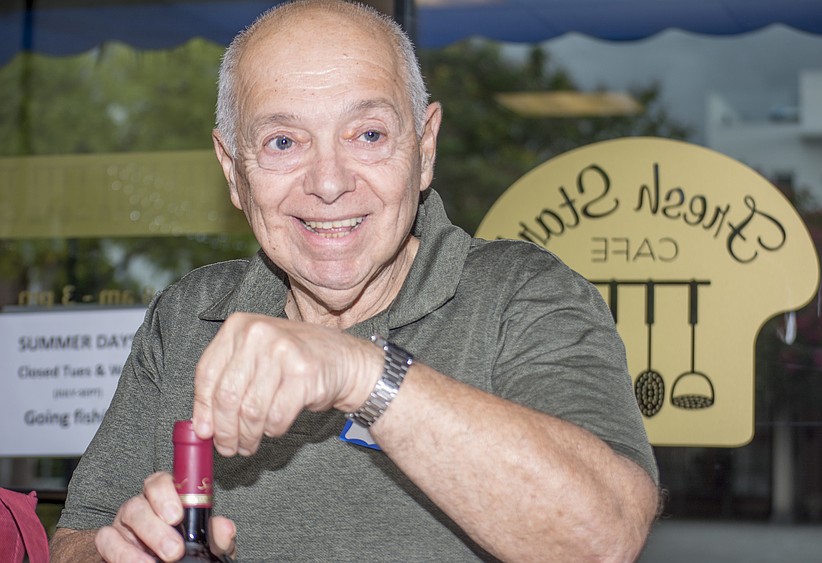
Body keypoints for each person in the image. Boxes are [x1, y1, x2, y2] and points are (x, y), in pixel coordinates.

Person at [50, 1, 660, 561]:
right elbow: (76, 535)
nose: (329, 181)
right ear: (233, 171)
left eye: (368, 135)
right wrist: (118, 552)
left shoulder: (525, 296)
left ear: (424, 147)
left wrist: (360, 371)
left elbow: (603, 539)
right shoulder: (187, 316)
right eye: (284, 142)